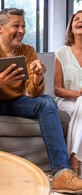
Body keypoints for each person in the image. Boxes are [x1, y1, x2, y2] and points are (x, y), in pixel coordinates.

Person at [0, 8, 82, 194]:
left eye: (23, 26)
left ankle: (61, 173)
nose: (21, 30)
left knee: (46, 101)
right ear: (0, 28)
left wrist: (37, 76)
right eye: (16, 25)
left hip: (17, 102)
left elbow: (34, 92)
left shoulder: (27, 51)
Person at [54, 10, 82, 178]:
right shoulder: (62, 53)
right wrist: (78, 93)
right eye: (76, 19)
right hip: (66, 100)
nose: (80, 22)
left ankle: (73, 160)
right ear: (71, 28)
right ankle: (74, 160)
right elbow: (57, 89)